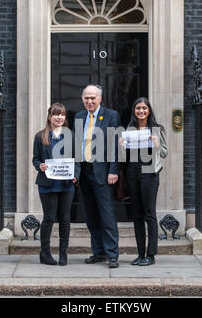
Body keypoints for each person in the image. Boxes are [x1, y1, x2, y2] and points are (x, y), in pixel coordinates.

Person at [75, 85, 121, 268]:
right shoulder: (79, 116)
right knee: (91, 215)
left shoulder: (111, 116)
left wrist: (114, 170)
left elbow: (116, 145)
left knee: (107, 215)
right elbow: (76, 145)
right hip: (84, 173)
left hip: (103, 173)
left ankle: (112, 255)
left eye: (93, 98)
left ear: (100, 99)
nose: (89, 101)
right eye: (86, 98)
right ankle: (98, 252)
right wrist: (76, 172)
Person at [119, 97, 168, 266]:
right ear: (134, 111)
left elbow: (164, 153)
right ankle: (140, 254)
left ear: (149, 111)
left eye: (144, 108)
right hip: (132, 173)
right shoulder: (130, 129)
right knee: (137, 215)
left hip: (149, 173)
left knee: (149, 214)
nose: (141, 111)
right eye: (138, 108)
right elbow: (124, 156)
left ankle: (151, 255)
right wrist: (122, 146)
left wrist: (156, 144)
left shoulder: (157, 129)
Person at [32, 103, 80, 266]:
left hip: (66, 184)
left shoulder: (71, 135)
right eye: (56, 114)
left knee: (65, 219)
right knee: (49, 218)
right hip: (47, 184)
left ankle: (63, 254)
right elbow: (35, 159)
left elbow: (77, 159)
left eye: (62, 114)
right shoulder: (40, 136)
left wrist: (76, 175)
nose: (59, 117)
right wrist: (40, 166)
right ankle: (45, 253)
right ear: (49, 117)